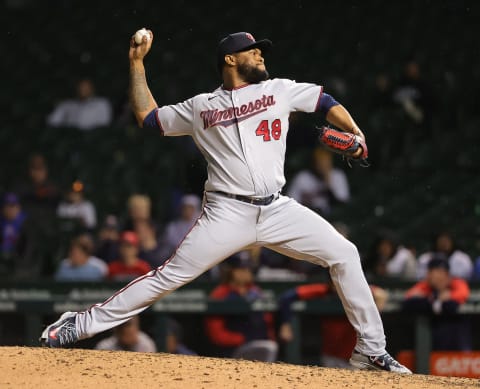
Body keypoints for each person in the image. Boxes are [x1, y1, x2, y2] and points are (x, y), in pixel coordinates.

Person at [41, 30, 410, 373]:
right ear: (230, 60)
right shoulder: (201, 106)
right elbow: (149, 118)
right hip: (227, 212)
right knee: (168, 277)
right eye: (253, 51)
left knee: (344, 254)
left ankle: (371, 350)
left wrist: (356, 132)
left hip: (277, 208)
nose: (261, 55)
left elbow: (324, 101)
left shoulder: (280, 89)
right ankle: (79, 324)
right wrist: (137, 64)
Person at [278, 280, 389, 368]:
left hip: (355, 355)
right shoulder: (324, 291)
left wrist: (372, 321)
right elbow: (287, 297)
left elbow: (381, 295)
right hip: (331, 354)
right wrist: (286, 325)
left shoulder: (356, 291)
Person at [205, 258, 278, 362]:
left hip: (260, 343)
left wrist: (269, 338)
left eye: (248, 269)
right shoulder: (220, 293)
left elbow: (267, 321)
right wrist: (242, 339)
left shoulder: (256, 291)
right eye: (242, 269)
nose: (246, 273)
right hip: (233, 348)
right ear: (232, 271)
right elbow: (216, 333)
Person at [403, 258, 471, 350]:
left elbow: (458, 299)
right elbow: (408, 300)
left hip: (457, 337)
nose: (434, 276)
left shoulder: (457, 283)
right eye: (432, 272)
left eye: (441, 272)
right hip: (432, 337)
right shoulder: (426, 285)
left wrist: (448, 296)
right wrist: (436, 301)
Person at [287, 147, 350, 216]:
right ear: (314, 163)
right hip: (306, 216)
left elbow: (342, 205)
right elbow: (290, 203)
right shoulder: (303, 177)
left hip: (332, 218)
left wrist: (328, 184)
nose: (322, 165)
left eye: (325, 162)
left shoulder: (337, 176)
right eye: (319, 162)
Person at [47, 78, 112, 130]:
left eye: (86, 87)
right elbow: (52, 121)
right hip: (69, 137)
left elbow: (104, 124)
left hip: (93, 138)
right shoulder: (67, 104)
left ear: (92, 88)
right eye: (81, 87)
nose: (83, 89)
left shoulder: (102, 103)